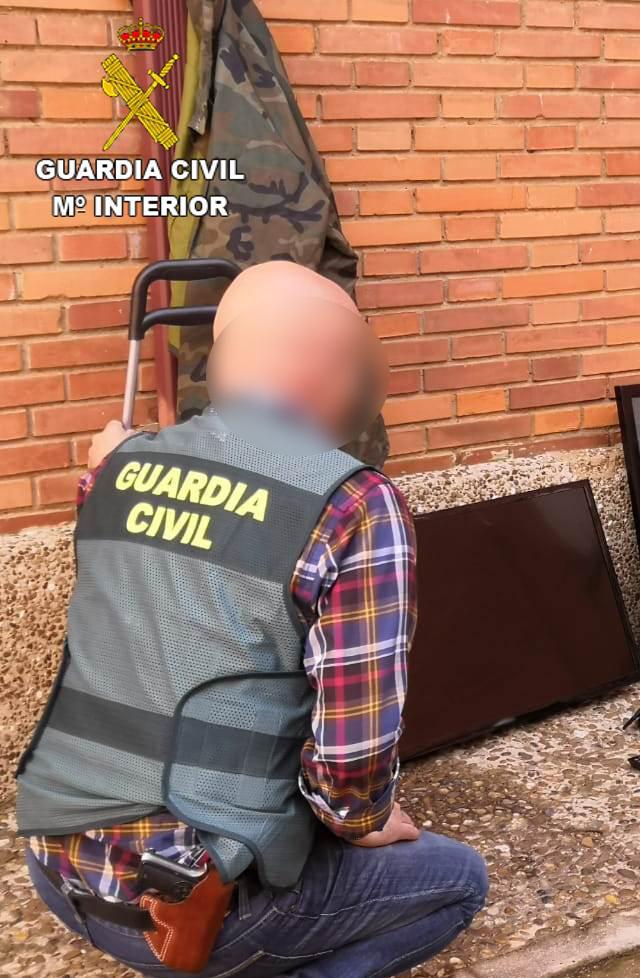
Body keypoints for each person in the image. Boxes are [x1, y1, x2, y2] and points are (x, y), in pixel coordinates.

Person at [16, 261, 487, 978]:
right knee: (455, 880)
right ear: (332, 371)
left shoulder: (115, 468)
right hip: (192, 915)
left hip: (55, 868)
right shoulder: (355, 504)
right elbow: (349, 769)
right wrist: (362, 822)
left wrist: (109, 467)